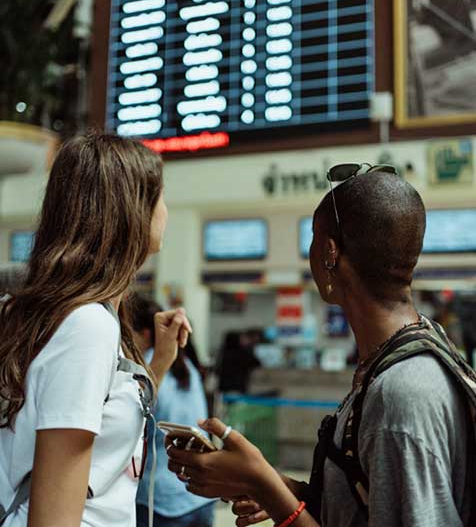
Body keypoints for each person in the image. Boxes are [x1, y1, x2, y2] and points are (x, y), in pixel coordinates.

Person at [166, 165, 474, 527]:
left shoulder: (401, 395)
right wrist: (290, 489)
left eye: (314, 238)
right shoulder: (414, 351)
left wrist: (262, 484)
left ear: (330, 252)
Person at [0, 134, 192, 527]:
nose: (166, 211)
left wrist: (160, 363)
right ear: (131, 211)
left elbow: (102, 420)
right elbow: (54, 517)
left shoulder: (85, 318)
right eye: (160, 197)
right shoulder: (85, 326)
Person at [131, 296, 215, 527]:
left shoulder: (147, 369)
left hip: (161, 499)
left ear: (146, 334)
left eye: (129, 334)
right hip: (200, 494)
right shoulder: (186, 366)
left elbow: (129, 424)